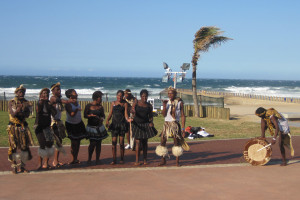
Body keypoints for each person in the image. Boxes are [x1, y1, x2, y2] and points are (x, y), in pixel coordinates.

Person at [156, 87, 190, 167]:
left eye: (171, 93)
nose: (170, 95)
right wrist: (164, 106)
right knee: (163, 141)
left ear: (175, 94)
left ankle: (177, 161)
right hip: (167, 124)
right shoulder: (167, 102)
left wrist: (183, 128)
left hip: (175, 124)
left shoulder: (179, 102)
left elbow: (182, 115)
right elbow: (164, 115)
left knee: (176, 142)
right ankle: (163, 160)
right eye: (168, 93)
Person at [7, 85, 34, 174]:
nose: (22, 93)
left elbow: (26, 115)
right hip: (13, 127)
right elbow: (13, 114)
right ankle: (14, 167)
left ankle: (22, 167)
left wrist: (23, 109)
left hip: (22, 127)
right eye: (20, 92)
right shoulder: (11, 102)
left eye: (23, 92)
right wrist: (19, 109)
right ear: (16, 93)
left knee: (24, 147)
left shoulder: (26, 103)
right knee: (13, 147)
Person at [129, 89, 157, 165]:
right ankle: (137, 160)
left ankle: (145, 160)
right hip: (137, 124)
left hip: (145, 125)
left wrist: (151, 122)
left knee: (145, 143)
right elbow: (132, 111)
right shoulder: (136, 103)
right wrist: (132, 113)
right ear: (140, 96)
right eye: (143, 96)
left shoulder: (149, 106)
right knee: (137, 142)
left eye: (146, 96)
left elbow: (150, 116)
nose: (144, 98)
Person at [34, 88, 57, 170]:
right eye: (44, 93)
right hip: (39, 127)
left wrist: (52, 105)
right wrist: (42, 101)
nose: (45, 94)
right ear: (40, 95)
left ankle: (46, 163)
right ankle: (40, 164)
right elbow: (38, 110)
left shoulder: (49, 104)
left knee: (49, 144)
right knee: (42, 144)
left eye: (47, 93)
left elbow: (54, 113)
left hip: (47, 126)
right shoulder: (39, 103)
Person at [84, 91, 108, 165]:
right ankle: (89, 159)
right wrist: (90, 116)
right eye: (100, 97)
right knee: (92, 143)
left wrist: (101, 119)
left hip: (99, 127)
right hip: (91, 127)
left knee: (98, 143)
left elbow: (103, 116)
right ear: (97, 98)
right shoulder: (88, 106)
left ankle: (97, 159)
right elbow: (85, 115)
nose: (101, 99)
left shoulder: (100, 107)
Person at [106, 90, 129, 165]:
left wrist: (128, 119)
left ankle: (122, 159)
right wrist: (107, 120)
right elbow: (110, 113)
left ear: (123, 96)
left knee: (121, 143)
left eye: (121, 96)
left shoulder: (125, 104)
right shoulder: (113, 103)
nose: (119, 97)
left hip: (122, 125)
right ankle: (114, 159)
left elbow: (126, 115)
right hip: (114, 125)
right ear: (116, 96)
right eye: (118, 95)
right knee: (114, 143)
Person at [65, 89, 87, 164]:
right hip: (71, 124)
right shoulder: (68, 104)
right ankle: (72, 158)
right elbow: (71, 114)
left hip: (78, 123)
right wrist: (77, 110)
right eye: (75, 93)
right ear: (70, 95)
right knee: (73, 142)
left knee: (78, 141)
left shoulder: (76, 102)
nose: (76, 94)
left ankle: (76, 158)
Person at [49, 82, 68, 168]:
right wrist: (69, 101)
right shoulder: (53, 98)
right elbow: (60, 101)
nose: (59, 91)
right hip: (52, 123)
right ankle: (46, 162)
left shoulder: (59, 99)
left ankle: (55, 160)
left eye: (60, 89)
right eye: (57, 89)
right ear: (52, 91)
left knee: (59, 142)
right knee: (49, 143)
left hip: (58, 122)